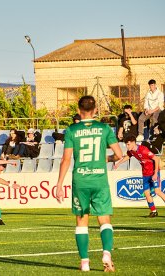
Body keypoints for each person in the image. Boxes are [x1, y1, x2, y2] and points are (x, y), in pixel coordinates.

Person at [56, 95, 122, 272]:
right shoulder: (104, 128)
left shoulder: (71, 131)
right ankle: (106, 253)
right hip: (99, 180)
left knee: (81, 220)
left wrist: (59, 184)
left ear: (79, 110)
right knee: (104, 219)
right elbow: (119, 155)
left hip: (81, 181)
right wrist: (105, 158)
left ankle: (85, 262)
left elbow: (66, 159)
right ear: (95, 111)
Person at [113, 135, 165, 217]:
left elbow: (156, 159)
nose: (127, 146)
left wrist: (155, 173)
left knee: (157, 191)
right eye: (126, 144)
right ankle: (154, 211)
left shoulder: (143, 150)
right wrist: (118, 163)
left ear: (133, 143)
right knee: (147, 193)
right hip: (145, 174)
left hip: (153, 172)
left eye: (128, 144)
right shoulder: (132, 151)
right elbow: (128, 156)